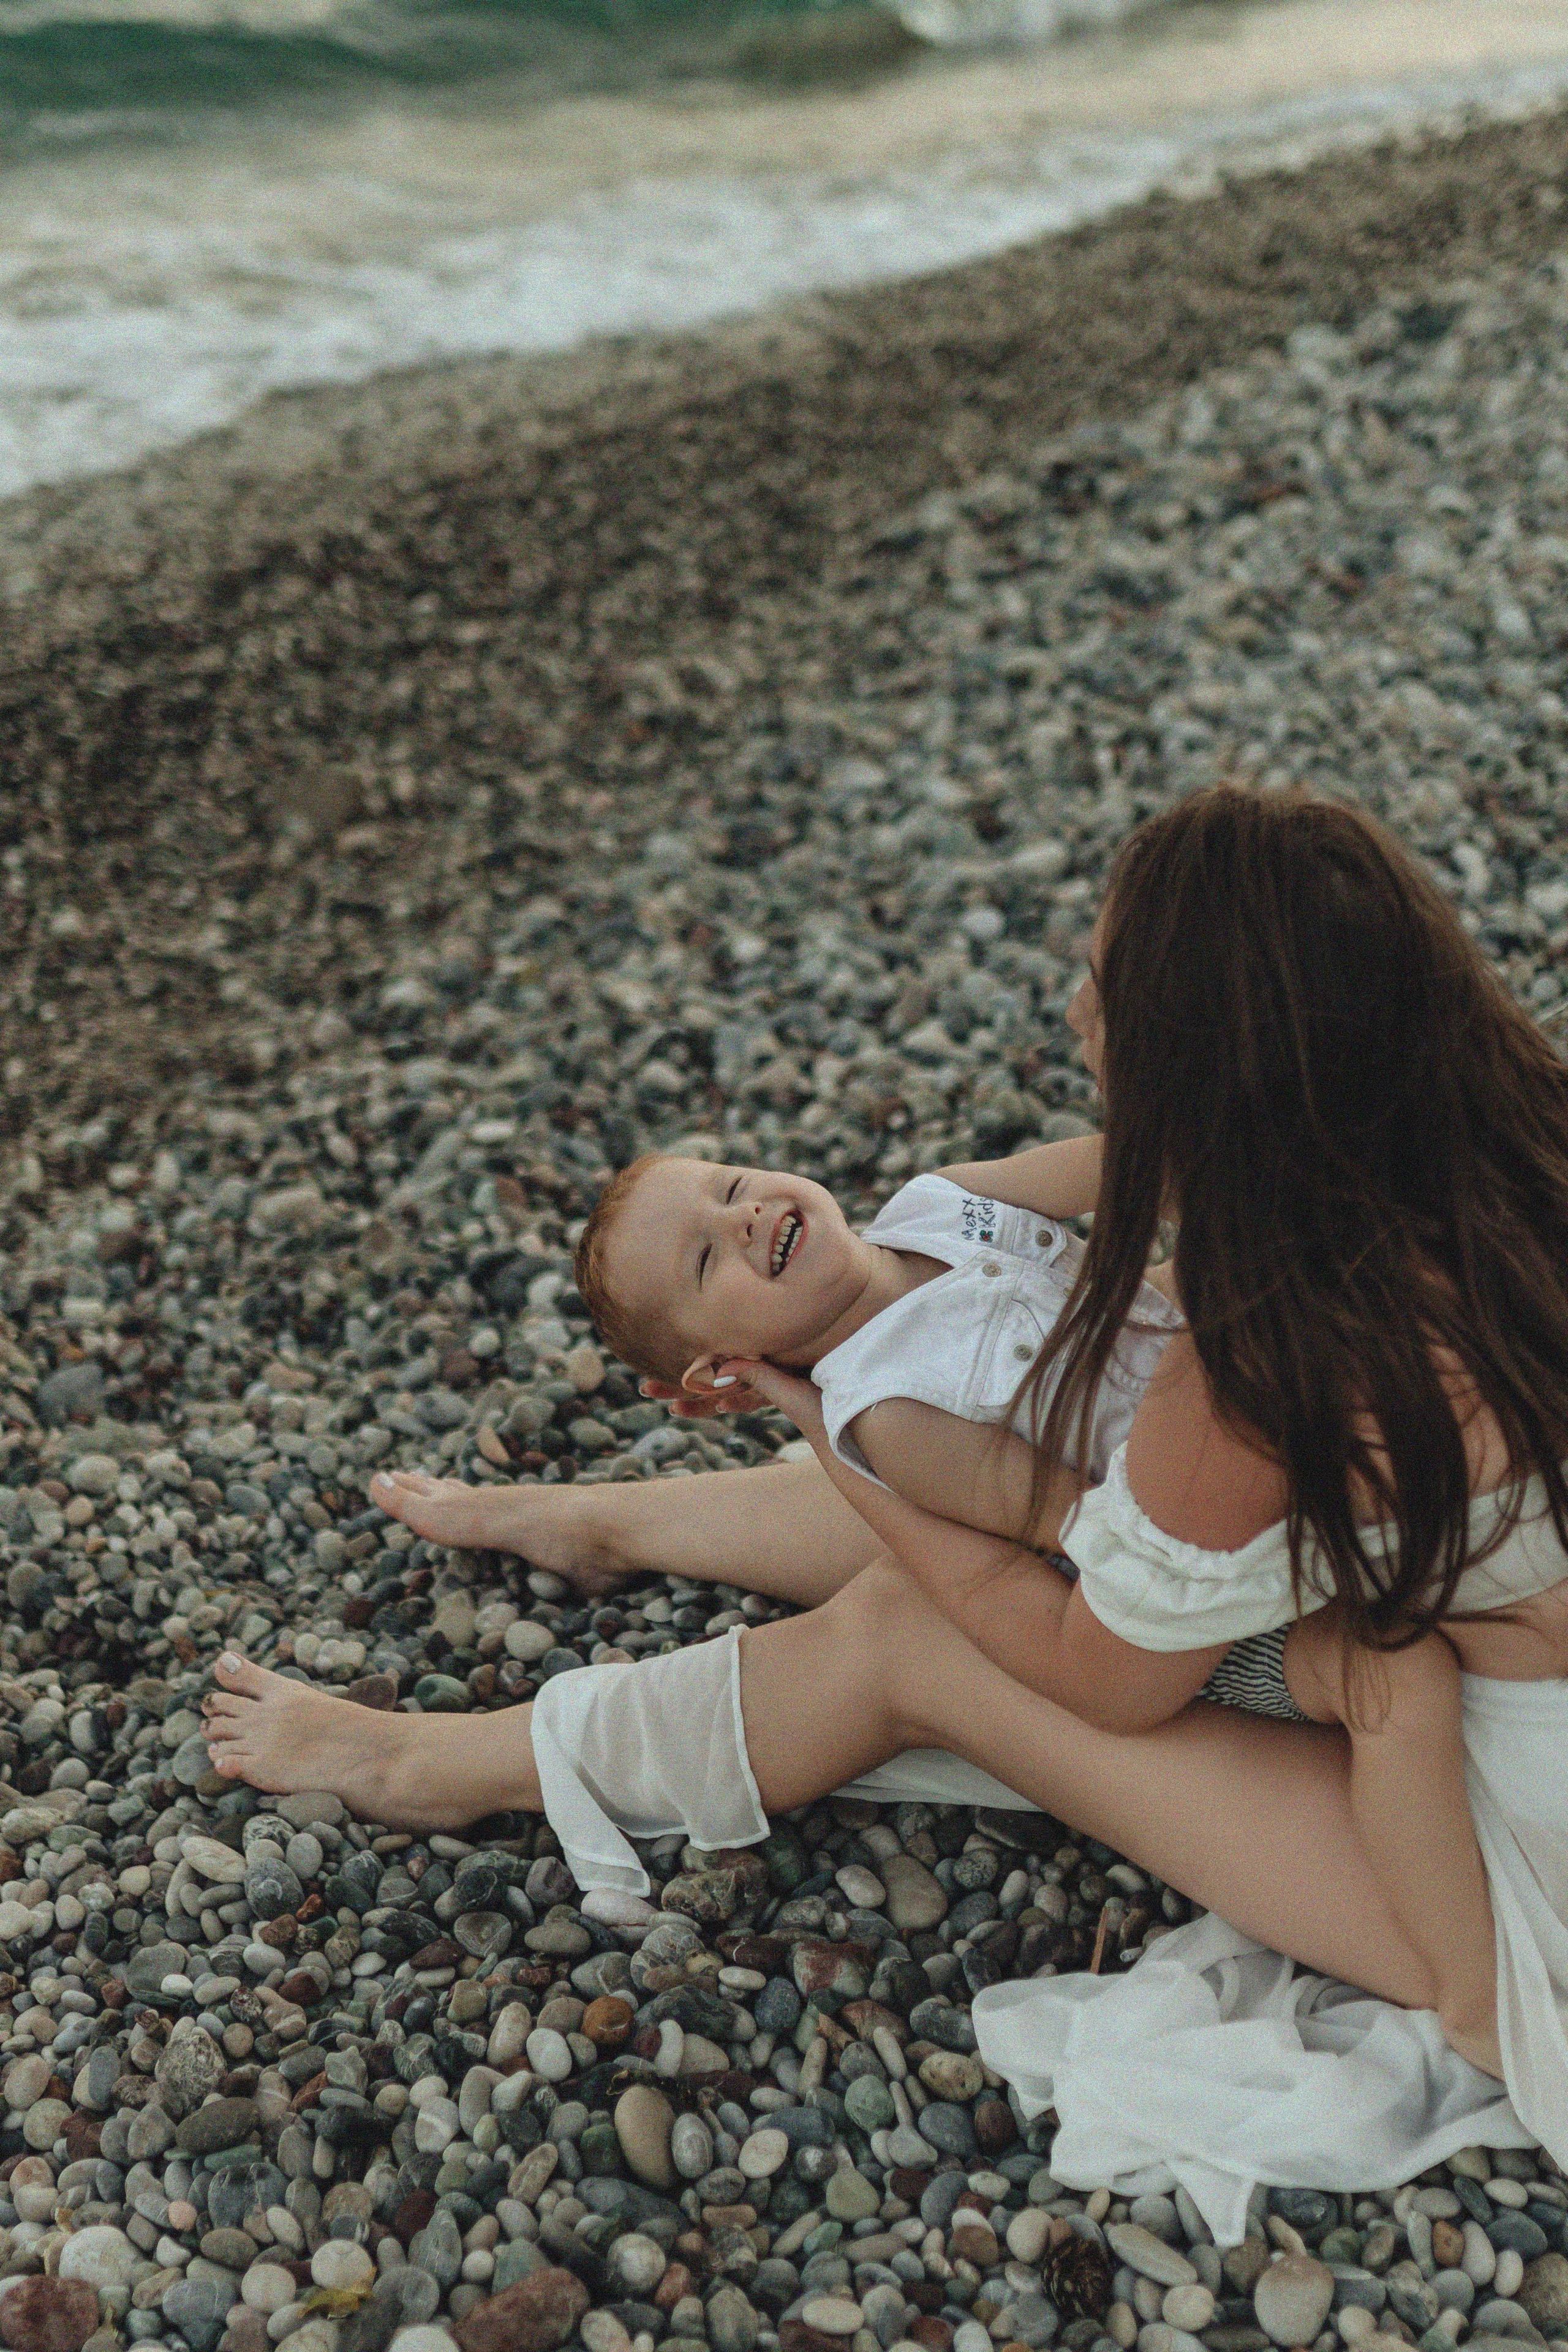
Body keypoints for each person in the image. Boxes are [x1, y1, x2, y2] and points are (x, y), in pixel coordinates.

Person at [201, 785, 1568, 2196]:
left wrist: (871, 1476)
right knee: (1006, 1456)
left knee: (911, 1612)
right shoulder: (1504, 1140)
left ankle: (436, 1763)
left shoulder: (1241, 1356)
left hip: (1520, 1848)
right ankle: (601, 1518)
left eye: (1101, 991)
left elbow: (1113, 1677)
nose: (1072, 1017)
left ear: (1205, 1057)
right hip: (1496, 1647)